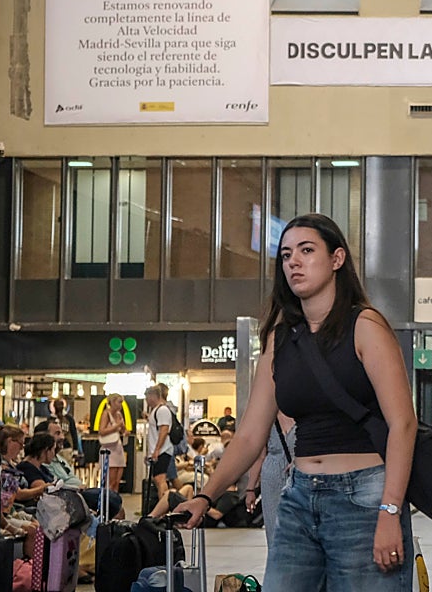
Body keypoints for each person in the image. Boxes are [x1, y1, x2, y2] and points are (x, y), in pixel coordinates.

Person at [173, 212, 417, 591]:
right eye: (286, 255)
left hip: (365, 497)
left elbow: (403, 423)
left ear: (337, 259)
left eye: (306, 250)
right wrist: (205, 496)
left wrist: (390, 509)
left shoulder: (366, 326)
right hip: (299, 495)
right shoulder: (280, 338)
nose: (294, 262)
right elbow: (251, 434)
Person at [244, 413, 296, 549]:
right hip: (272, 476)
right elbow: (259, 456)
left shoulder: (302, 411)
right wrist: (250, 489)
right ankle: (277, 564)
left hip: (299, 471)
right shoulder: (267, 418)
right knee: (273, 525)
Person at [144, 385, 175, 501]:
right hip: (159, 450)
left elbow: (164, 430)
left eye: (147, 397)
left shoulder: (162, 410)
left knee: (160, 479)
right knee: (158, 479)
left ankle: (164, 505)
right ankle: (163, 504)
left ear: (152, 396)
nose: (147, 401)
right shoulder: (157, 410)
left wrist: (157, 449)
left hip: (163, 450)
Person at [99, 393, 128, 492]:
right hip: (109, 449)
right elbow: (102, 431)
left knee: (117, 481)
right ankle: (108, 502)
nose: (120, 405)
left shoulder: (119, 415)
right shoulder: (106, 414)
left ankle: (115, 500)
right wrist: (116, 426)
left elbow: (123, 429)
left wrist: (124, 431)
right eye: (119, 402)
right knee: (110, 481)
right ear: (112, 402)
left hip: (118, 447)